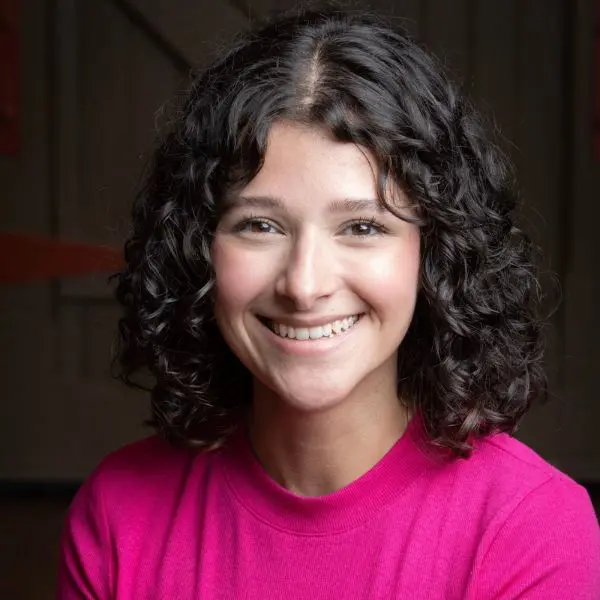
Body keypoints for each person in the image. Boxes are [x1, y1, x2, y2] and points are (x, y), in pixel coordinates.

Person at [57, 6, 600, 599]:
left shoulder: (529, 528)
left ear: (434, 253)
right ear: (197, 250)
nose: (304, 283)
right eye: (260, 225)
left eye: (363, 227)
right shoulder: (118, 515)